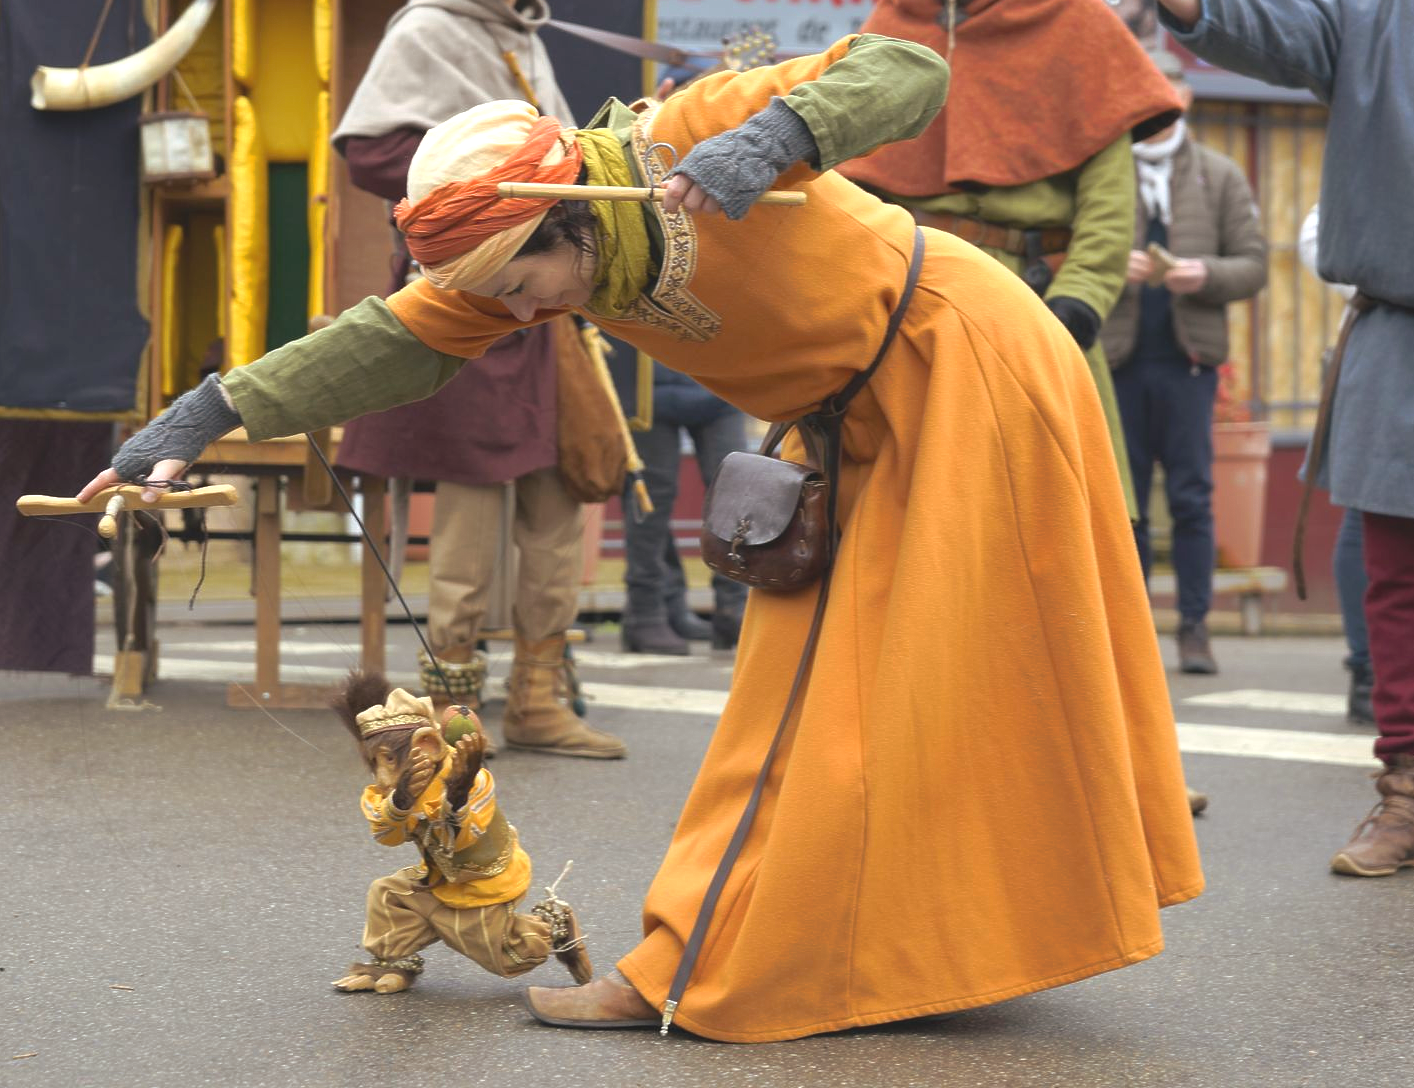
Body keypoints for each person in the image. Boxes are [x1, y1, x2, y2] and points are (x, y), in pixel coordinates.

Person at [78, 34, 1203, 1041]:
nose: (521, 317)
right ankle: (812, 952)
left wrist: (769, 141)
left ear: (566, 215)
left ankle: (702, 968)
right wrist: (190, 421)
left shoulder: (682, 131)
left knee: (917, 688)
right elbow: (381, 341)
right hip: (850, 419)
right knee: (815, 694)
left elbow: (912, 71)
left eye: (527, 287)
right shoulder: (518, 255)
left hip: (970, 366)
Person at [328, 0, 625, 760]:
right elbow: (368, 152)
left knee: (559, 494)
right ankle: (452, 713)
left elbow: (570, 156)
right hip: (472, 284)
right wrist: (489, 190)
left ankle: (536, 702)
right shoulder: (427, 28)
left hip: (549, 295)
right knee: (472, 500)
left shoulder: (520, 35)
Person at [1158, 0, 1414, 877]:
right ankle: (1408, 794)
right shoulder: (1375, 19)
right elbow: (1258, 27)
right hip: (1402, 332)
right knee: (1397, 578)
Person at [838, 0, 1187, 524]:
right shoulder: (896, 21)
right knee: (904, 500)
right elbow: (848, 183)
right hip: (909, 292)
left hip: (1036, 296)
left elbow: (1108, 202)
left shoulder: (1079, 22)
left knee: (1061, 502)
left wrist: (1079, 302)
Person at [1100, 49, 1267, 677]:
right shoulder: (1103, 172)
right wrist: (1114, 270)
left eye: (1164, 97)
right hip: (1116, 363)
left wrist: (1203, 274)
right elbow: (1064, 257)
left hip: (1190, 366)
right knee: (1126, 505)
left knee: (1193, 498)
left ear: (1185, 100)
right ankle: (1133, 633)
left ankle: (1195, 629)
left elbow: (1252, 264)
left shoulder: (1219, 175)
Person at [329, 674, 590, 994]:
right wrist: (401, 801)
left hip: (483, 880)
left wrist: (458, 792)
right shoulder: (392, 790)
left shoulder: (472, 778)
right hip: (438, 877)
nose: (381, 777)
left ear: (427, 745)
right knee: (387, 896)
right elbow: (387, 836)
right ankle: (391, 963)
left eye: (387, 760)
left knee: (507, 957)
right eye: (373, 764)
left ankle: (555, 924)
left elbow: (462, 839)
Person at [1298, 202, 1373, 726]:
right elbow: (1317, 234)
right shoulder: (1384, 131)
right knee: (1368, 510)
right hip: (1383, 340)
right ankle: (1367, 669)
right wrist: (1385, 281)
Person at [619, 363, 747, 654]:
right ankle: (646, 611)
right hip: (644, 385)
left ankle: (733, 609)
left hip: (723, 378)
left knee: (735, 487)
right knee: (650, 500)